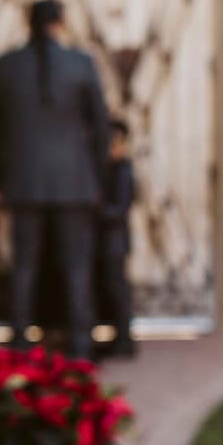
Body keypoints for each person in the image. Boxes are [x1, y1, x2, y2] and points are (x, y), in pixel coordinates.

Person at [0, 0, 109, 359]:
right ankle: (80, 346)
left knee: (24, 265)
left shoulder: (6, 66)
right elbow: (100, 126)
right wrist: (97, 177)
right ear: (60, 23)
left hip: (23, 182)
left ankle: (21, 342)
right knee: (76, 266)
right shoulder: (82, 64)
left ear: (29, 22)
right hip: (75, 181)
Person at [96, 118, 138, 359]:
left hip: (114, 242)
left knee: (117, 290)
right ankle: (117, 338)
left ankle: (124, 340)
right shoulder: (109, 169)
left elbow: (119, 209)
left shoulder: (123, 170)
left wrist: (98, 208)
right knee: (110, 290)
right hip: (107, 241)